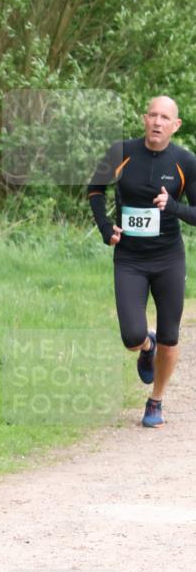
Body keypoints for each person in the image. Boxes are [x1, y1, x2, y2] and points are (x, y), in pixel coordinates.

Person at [87, 95, 196, 427]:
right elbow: (95, 190)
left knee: (170, 335)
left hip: (168, 258)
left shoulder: (185, 162)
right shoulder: (121, 152)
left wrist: (172, 206)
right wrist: (106, 229)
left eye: (165, 117)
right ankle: (144, 345)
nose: (157, 122)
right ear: (144, 119)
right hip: (130, 259)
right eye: (153, 115)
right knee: (131, 336)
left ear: (175, 126)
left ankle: (155, 401)